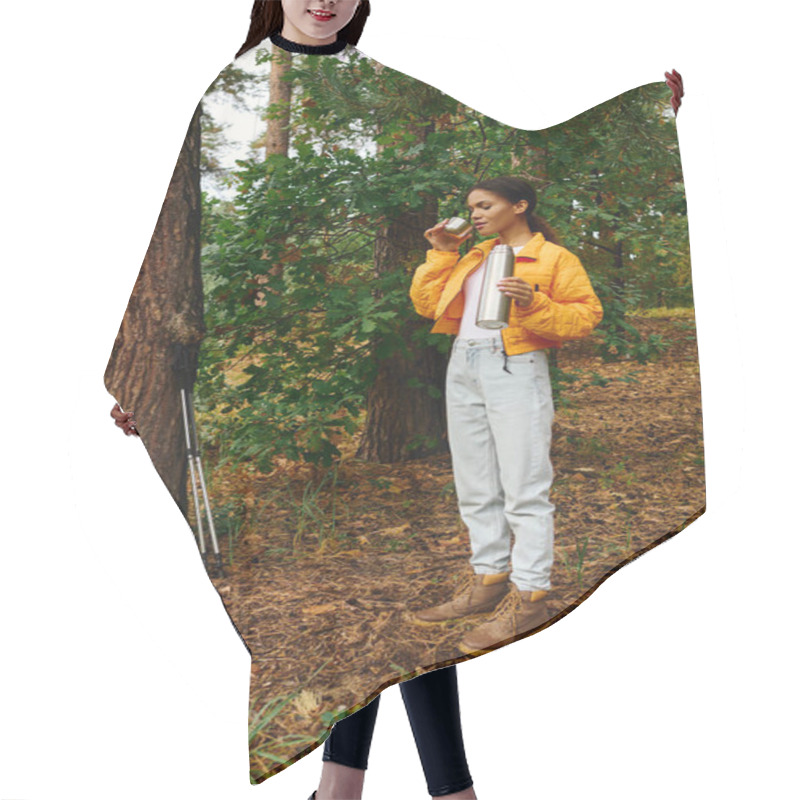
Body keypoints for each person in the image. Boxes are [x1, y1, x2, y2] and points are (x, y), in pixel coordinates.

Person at [112, 3, 477, 799]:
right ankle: (392, 790)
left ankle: (361, 789)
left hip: (393, 387)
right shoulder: (227, 87)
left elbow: (492, 186)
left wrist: (655, 119)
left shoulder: (387, 92)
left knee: (410, 590)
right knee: (360, 599)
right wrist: (135, 372)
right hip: (280, 404)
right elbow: (172, 238)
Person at [409, 176, 603, 655]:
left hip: (515, 364)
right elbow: (427, 304)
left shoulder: (555, 258)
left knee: (524, 486)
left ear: (519, 206)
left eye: (484, 205)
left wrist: (533, 303)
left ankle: (531, 595)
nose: (474, 214)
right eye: (471, 207)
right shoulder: (473, 255)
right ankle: (489, 579)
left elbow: (585, 316)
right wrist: (440, 254)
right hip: (464, 362)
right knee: (475, 482)